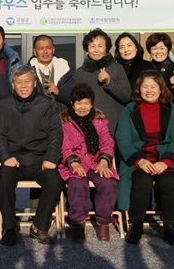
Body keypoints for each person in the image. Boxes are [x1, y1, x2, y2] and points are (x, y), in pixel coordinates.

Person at [115, 70, 174, 247]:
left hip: (165, 159)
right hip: (139, 158)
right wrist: (139, 160)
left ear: (161, 88)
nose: (149, 90)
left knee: (169, 181)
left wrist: (166, 162)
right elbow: (122, 139)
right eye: (144, 86)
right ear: (138, 89)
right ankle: (136, 225)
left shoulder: (172, 110)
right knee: (142, 181)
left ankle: (170, 227)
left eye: (153, 86)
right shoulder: (130, 110)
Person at [0, 65, 63, 246]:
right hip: (14, 159)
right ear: (13, 84)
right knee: (3, 178)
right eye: (19, 82)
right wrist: (5, 156)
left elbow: (55, 133)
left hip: (39, 159)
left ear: (34, 83)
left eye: (27, 81)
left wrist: (51, 157)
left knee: (55, 181)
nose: (23, 86)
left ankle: (38, 227)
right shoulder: (3, 104)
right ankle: (10, 228)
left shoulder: (47, 104)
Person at [58, 83, 119, 243]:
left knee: (108, 183)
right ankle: (78, 223)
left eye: (86, 103)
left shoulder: (100, 122)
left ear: (92, 104)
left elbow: (107, 142)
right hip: (74, 164)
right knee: (77, 185)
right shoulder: (65, 123)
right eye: (79, 103)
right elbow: (64, 146)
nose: (82, 107)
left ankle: (104, 222)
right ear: (72, 104)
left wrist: (104, 161)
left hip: (95, 162)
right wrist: (73, 162)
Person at [74, 28, 132, 133]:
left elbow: (127, 96)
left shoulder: (116, 68)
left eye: (100, 46)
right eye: (92, 46)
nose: (96, 50)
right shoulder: (79, 73)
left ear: (106, 48)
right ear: (87, 48)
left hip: (112, 126)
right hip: (86, 126)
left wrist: (109, 82)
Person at [29, 35, 76, 110]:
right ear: (35, 52)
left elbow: (76, 98)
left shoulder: (65, 70)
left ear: (53, 50)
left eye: (48, 48)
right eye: (41, 48)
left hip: (62, 116)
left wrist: (59, 92)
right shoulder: (28, 73)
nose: (45, 52)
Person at [146, 32, 174, 109]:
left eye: (162, 48)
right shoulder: (144, 69)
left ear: (168, 49)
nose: (158, 52)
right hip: (148, 110)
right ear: (149, 50)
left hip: (171, 112)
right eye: (154, 48)